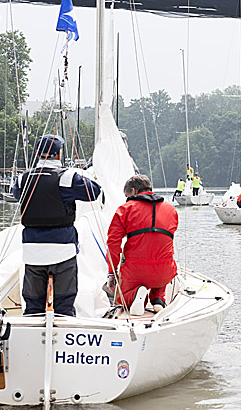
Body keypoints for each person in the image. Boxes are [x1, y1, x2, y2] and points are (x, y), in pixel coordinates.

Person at [14, 134, 102, 317]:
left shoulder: (23, 178)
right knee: (64, 305)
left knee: (33, 306)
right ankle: (64, 336)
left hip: (32, 251)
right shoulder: (67, 177)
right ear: (59, 154)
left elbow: (16, 195)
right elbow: (94, 192)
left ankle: (31, 339)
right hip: (63, 251)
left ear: (37, 154)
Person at [106, 174, 178, 314]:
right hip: (165, 271)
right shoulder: (171, 210)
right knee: (160, 265)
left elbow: (113, 243)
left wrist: (112, 272)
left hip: (135, 272)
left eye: (127, 196)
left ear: (133, 191)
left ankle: (135, 296)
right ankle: (158, 299)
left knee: (122, 297)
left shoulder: (125, 210)